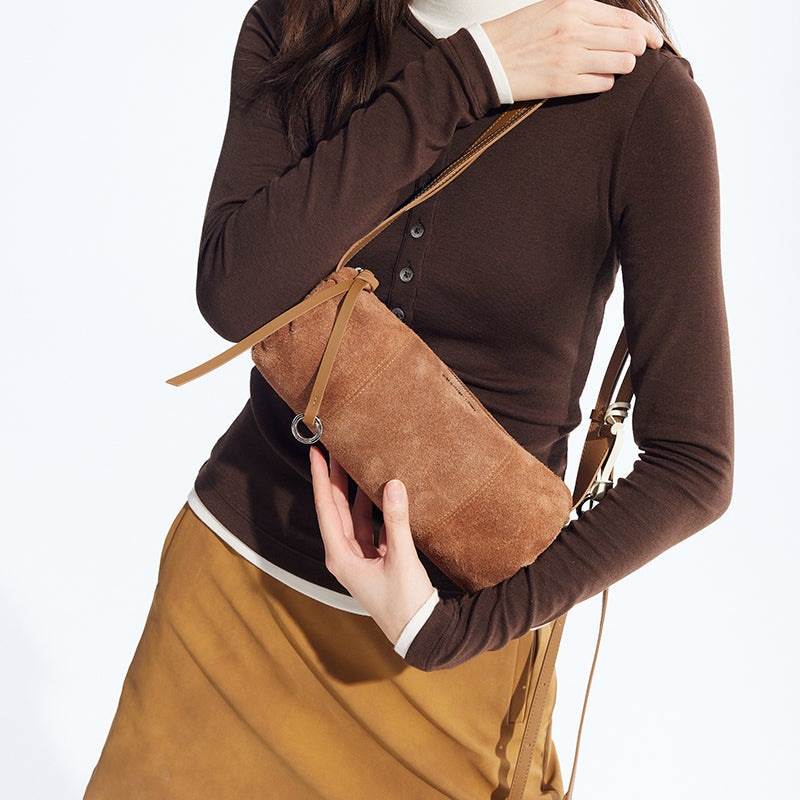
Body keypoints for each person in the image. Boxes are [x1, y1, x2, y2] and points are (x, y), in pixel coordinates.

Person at [85, 0, 733, 797]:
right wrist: (473, 70)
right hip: (231, 605)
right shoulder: (303, 23)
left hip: (455, 660)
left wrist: (451, 630)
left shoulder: (641, 98)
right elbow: (235, 291)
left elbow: (695, 463)